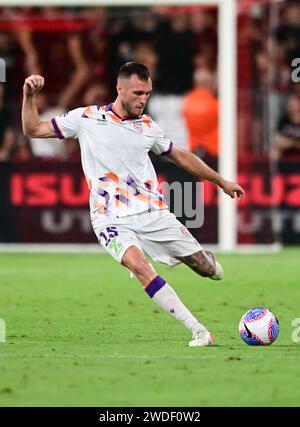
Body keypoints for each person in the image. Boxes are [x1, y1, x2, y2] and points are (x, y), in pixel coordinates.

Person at [22, 62, 245, 347]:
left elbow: (181, 155)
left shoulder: (148, 127)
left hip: (152, 213)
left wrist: (221, 181)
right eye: (138, 93)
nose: (144, 100)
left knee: (206, 269)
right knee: (140, 266)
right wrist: (30, 97)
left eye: (148, 94)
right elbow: (32, 129)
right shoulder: (86, 118)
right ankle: (198, 330)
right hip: (109, 219)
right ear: (120, 89)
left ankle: (204, 259)